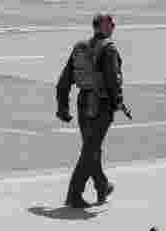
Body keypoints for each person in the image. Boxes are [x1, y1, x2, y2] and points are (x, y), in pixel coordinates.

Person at [56, 13, 124, 208]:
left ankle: (102, 185)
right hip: (101, 104)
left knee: (91, 147)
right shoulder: (108, 49)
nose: (113, 25)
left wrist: (62, 105)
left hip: (83, 101)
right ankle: (74, 194)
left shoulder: (81, 48)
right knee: (90, 149)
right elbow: (112, 80)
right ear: (101, 26)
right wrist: (117, 101)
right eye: (110, 22)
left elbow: (65, 79)